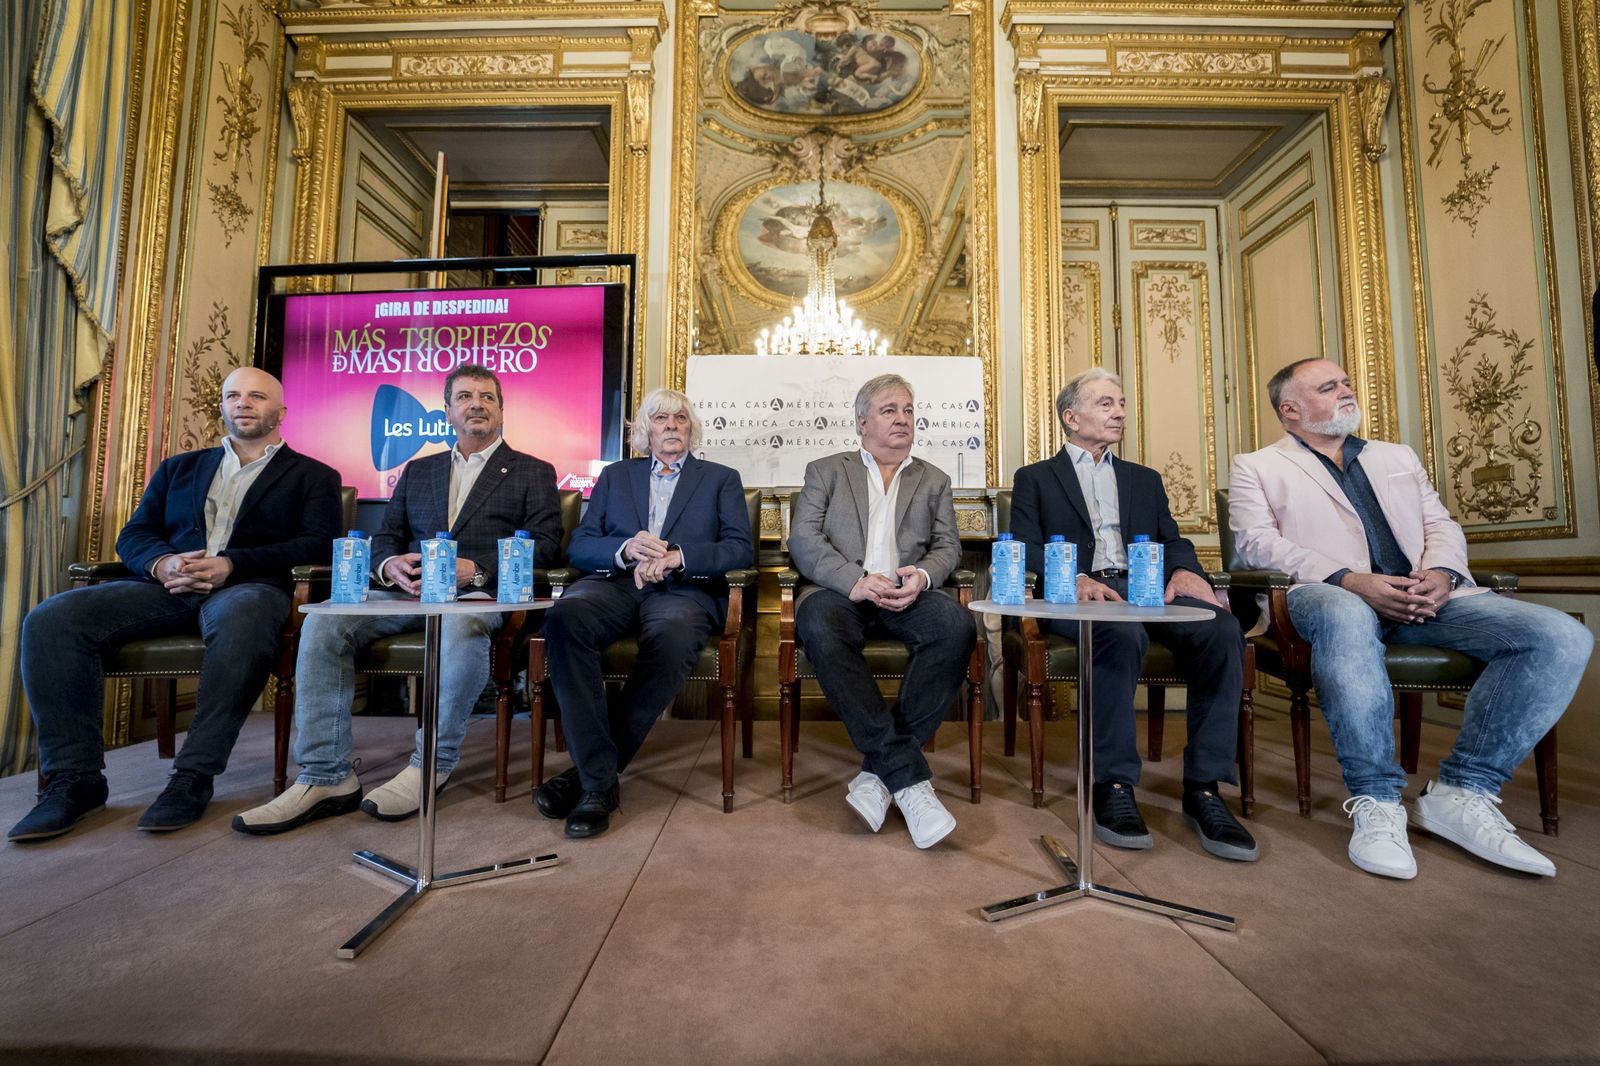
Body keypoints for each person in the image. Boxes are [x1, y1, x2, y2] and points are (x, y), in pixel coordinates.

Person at [1230, 357, 1592, 879]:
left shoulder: (1395, 456)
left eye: (1346, 382)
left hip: (1424, 598)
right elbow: (1258, 544)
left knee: (1561, 635)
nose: (1346, 391)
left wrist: (1442, 573)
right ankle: (1377, 800)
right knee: (1346, 613)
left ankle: (1464, 790)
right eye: (1329, 387)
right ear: (1291, 409)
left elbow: (1439, 523)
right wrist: (1353, 580)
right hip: (1321, 595)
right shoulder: (1258, 465)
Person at [8, 368, 342, 841]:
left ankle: (193, 776)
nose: (242, 403)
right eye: (232, 396)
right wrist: (161, 563)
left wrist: (231, 564)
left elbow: (318, 544)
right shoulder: (179, 468)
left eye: (256, 396)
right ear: (222, 407)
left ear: (280, 412)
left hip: (249, 589)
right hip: (166, 588)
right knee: (51, 619)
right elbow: (135, 534)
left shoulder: (313, 475)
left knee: (245, 615)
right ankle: (74, 780)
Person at [233, 365, 562, 834]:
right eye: (465, 396)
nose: (477, 404)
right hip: (409, 595)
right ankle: (326, 775)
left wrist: (479, 568)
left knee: (458, 625)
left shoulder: (534, 470)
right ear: (447, 411)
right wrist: (389, 565)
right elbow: (387, 535)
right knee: (326, 623)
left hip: (480, 598)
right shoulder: (419, 469)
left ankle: (432, 761)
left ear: (502, 410)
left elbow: (547, 545)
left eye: (488, 397)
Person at [1009, 368, 1256, 861]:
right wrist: (1075, 577)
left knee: (1222, 630)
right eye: (1105, 404)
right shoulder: (1035, 477)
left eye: (1121, 403)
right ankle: (1113, 785)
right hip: (1078, 593)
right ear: (1070, 417)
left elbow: (1173, 539)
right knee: (1117, 636)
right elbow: (1024, 546)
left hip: (1148, 587)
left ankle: (1204, 788)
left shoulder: (1143, 479)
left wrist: (1187, 572)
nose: (1119, 412)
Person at [533, 388, 753, 840]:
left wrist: (677, 556)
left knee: (672, 634)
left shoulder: (720, 478)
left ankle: (590, 782)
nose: (671, 425)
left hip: (682, 592)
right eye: (660, 419)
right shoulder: (616, 476)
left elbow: (739, 548)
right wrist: (624, 547)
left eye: (680, 418)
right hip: (616, 583)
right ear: (644, 431)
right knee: (564, 618)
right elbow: (580, 544)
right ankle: (598, 779)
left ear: (691, 429)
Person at [786, 374, 974, 850]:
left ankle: (877, 774)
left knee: (955, 626)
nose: (902, 419)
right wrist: (855, 579)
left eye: (909, 410)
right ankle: (908, 779)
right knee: (821, 626)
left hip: (903, 591)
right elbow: (804, 541)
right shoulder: (826, 470)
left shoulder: (934, 478)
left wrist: (923, 578)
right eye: (890, 410)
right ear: (862, 421)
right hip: (842, 590)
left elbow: (948, 546)